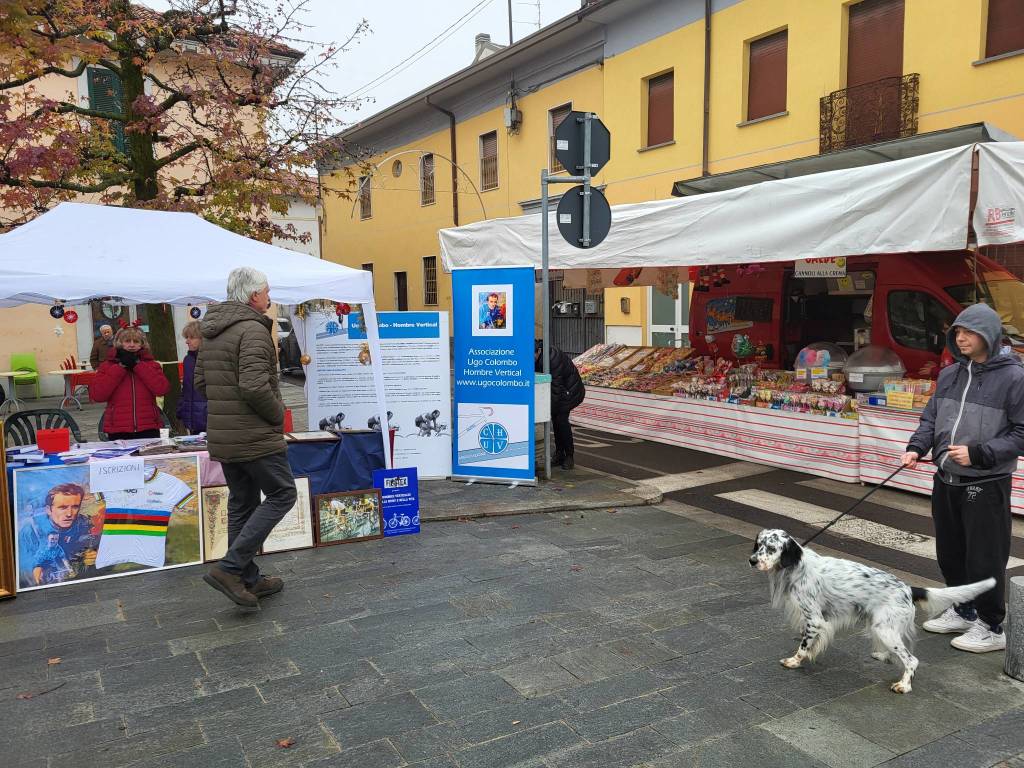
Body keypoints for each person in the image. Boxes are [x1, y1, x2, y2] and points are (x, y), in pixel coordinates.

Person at [902, 303, 1024, 653]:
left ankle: (991, 626)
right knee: (951, 553)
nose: (961, 338)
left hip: (986, 483)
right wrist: (917, 446)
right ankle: (964, 609)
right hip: (946, 479)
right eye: (957, 332)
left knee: (985, 557)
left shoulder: (1014, 377)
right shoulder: (950, 374)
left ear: (988, 335)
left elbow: (1022, 431)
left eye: (969, 332)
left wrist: (979, 453)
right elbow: (931, 418)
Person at [195, 266, 295, 607]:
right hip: (254, 435)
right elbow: (254, 387)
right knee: (283, 494)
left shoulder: (211, 331)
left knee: (243, 503)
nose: (269, 297)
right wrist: (276, 414)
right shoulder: (252, 331)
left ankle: (247, 579)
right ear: (254, 296)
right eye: (267, 291)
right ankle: (231, 567)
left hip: (224, 434)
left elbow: (201, 384)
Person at [89, 326, 170, 439]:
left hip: (148, 425)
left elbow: (162, 389)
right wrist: (120, 368)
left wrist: (138, 366)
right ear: (120, 343)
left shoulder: (152, 365)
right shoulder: (107, 366)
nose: (132, 345)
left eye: (136, 341)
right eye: (127, 341)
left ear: (142, 344)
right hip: (118, 427)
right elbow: (98, 395)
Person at [17, 483, 97, 587]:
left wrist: (94, 554)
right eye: (62, 507)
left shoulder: (83, 523)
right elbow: (21, 564)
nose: (69, 514)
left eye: (75, 507)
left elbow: (93, 544)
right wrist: (34, 569)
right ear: (48, 510)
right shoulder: (31, 529)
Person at [535, 340, 585, 470]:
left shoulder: (552, 358)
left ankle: (569, 456)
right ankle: (559, 454)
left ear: (538, 352)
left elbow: (556, 387)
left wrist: (548, 409)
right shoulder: (538, 357)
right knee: (556, 421)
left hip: (569, 392)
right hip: (559, 391)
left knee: (561, 421)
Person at [176, 320, 208, 434]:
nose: (187, 341)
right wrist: (181, 409)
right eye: (187, 337)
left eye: (192, 337)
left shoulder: (212, 359)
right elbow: (186, 388)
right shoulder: (188, 360)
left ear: (202, 339)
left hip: (209, 419)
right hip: (192, 419)